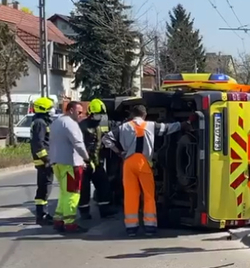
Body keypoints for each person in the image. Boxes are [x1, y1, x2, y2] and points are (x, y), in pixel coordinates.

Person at [102, 105, 190, 237]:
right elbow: (167, 128)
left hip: (128, 162)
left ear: (132, 115)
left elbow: (106, 139)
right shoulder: (151, 125)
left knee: (131, 195)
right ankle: (150, 226)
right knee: (148, 195)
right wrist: (184, 124)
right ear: (144, 115)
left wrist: (119, 152)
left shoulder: (123, 127)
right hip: (143, 163)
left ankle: (131, 227)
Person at [49, 101, 91, 233]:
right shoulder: (71, 124)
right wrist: (86, 158)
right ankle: (70, 223)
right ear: (71, 110)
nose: (81, 115)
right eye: (79, 112)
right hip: (71, 164)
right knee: (73, 194)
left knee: (63, 193)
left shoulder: (57, 122)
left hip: (57, 162)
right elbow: (78, 143)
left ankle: (58, 219)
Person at [77, 99, 116, 219]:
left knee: (104, 185)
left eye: (101, 115)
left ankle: (105, 210)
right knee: (84, 189)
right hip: (84, 162)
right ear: (91, 113)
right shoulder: (82, 126)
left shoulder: (100, 125)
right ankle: (84, 212)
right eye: (97, 114)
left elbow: (101, 142)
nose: (99, 117)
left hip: (97, 162)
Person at [29, 97, 55, 226]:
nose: (52, 110)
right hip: (44, 161)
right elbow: (38, 144)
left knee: (45, 187)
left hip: (45, 160)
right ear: (44, 109)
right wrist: (46, 159)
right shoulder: (40, 123)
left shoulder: (41, 121)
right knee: (44, 188)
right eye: (50, 108)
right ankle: (41, 215)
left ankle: (43, 213)